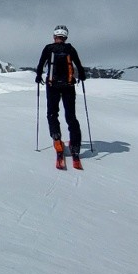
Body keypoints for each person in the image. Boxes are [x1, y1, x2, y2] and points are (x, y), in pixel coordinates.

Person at [34, 25, 86, 169]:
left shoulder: (48, 48)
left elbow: (40, 64)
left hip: (52, 86)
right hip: (69, 87)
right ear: (66, 37)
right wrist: (82, 76)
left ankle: (57, 139)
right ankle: (75, 147)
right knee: (71, 116)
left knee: (52, 113)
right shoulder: (70, 48)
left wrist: (38, 76)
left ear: (54, 36)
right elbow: (79, 66)